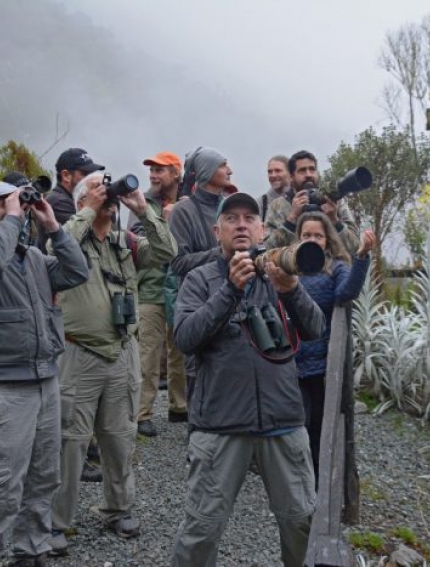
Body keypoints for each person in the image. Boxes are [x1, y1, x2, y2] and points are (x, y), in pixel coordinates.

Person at [171, 193, 325, 567]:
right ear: (216, 230)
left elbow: (316, 328)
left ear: (262, 229)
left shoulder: (278, 273)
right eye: (231, 218)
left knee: (301, 521)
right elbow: (185, 338)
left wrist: (292, 290)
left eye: (249, 218)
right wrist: (229, 291)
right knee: (201, 529)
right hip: (220, 426)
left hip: (283, 422)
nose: (240, 224)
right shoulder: (199, 279)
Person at [0, 181, 89, 567]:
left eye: (20, 203)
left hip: (46, 380)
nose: (18, 210)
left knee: (44, 477)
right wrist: (11, 217)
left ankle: (32, 550)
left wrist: (54, 228)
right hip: (3, 387)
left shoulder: (34, 260)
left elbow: (77, 272)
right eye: (4, 203)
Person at [49, 172, 177, 553]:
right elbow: (58, 248)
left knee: (120, 438)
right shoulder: (68, 236)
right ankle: (56, 522)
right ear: (80, 202)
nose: (106, 195)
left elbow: (168, 252)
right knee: (70, 442)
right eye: (95, 188)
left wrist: (143, 209)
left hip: (122, 352)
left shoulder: (126, 241)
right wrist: (87, 209)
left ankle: (118, 508)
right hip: (79, 353)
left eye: (107, 190)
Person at [42, 151, 107, 483]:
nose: (93, 184)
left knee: (75, 391)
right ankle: (72, 456)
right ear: (66, 176)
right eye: (84, 175)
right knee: (71, 392)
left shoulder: (68, 202)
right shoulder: (60, 203)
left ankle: (84, 446)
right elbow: (66, 244)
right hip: (64, 302)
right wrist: (92, 208)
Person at [294, 211, 373, 479]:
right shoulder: (290, 266)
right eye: (307, 235)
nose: (313, 240)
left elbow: (346, 291)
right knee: (295, 425)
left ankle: (316, 482)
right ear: (299, 238)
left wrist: (361, 256)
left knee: (316, 426)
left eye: (318, 235)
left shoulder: (335, 268)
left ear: (327, 240)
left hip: (319, 366)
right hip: (290, 362)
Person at [166, 147, 234, 404]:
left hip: (232, 301)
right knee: (199, 377)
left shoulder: (229, 207)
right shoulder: (184, 212)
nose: (229, 170)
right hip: (198, 304)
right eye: (223, 165)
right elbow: (178, 263)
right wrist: (221, 253)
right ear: (206, 171)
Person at [128, 151, 188, 437]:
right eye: (151, 170)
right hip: (150, 287)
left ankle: (179, 406)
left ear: (176, 173)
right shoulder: (142, 202)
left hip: (181, 287)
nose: (153, 175)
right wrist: (165, 222)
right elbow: (136, 238)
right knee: (148, 353)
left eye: (160, 170)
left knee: (179, 349)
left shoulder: (190, 200)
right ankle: (142, 413)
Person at [264, 149, 360, 256]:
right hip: (293, 270)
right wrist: (291, 218)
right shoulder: (278, 206)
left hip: (332, 270)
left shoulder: (335, 202)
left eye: (312, 169)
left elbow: (355, 247)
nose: (308, 174)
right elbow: (267, 250)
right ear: (291, 177)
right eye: (302, 170)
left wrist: (334, 220)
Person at [260, 154, 290, 222]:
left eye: (278, 171)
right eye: (270, 172)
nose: (273, 175)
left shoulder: (300, 199)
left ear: (290, 173)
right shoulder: (261, 203)